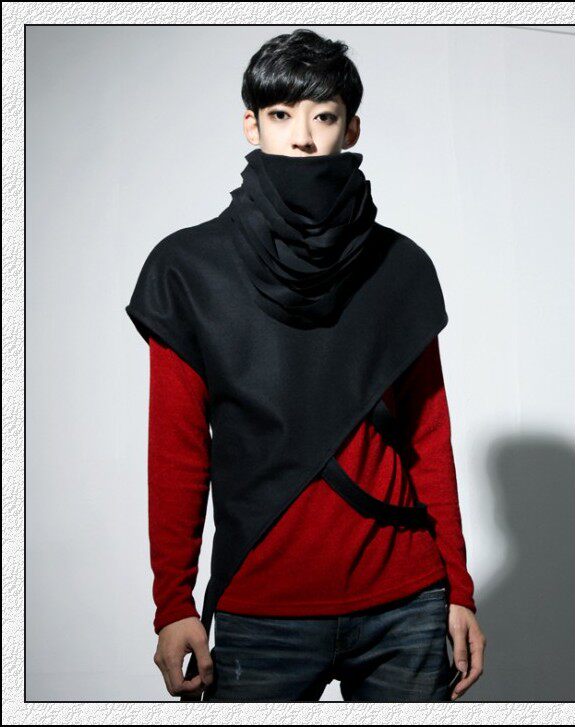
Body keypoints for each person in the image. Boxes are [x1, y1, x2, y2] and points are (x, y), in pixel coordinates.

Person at [126, 28, 486, 702]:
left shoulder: (401, 267)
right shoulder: (188, 270)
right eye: (281, 114)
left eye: (322, 116)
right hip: (263, 603)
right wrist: (173, 602)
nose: (301, 138)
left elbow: (428, 437)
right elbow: (177, 449)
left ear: (351, 129)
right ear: (252, 124)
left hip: (404, 599)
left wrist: (458, 588)